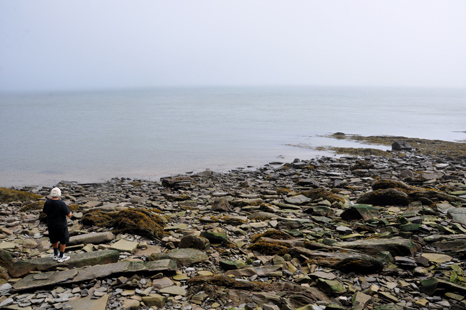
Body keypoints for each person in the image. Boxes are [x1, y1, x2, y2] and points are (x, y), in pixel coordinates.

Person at [42, 187, 72, 263]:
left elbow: (44, 213)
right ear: (59, 194)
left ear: (51, 194)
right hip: (61, 225)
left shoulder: (47, 202)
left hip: (51, 224)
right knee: (63, 240)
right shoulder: (61, 203)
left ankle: (55, 254)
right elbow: (69, 215)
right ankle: (61, 256)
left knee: (54, 239)